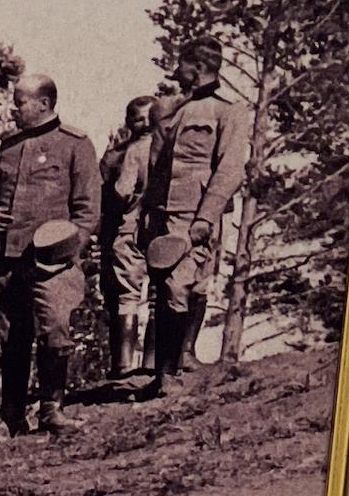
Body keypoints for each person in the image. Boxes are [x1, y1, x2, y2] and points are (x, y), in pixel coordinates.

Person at [0, 75, 101, 437]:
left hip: (52, 264)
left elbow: (87, 211)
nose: (13, 110)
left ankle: (52, 410)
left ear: (44, 104)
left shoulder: (75, 144)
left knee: (55, 332)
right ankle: (11, 417)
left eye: (20, 103)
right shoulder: (7, 147)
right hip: (7, 259)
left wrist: (67, 251)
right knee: (12, 337)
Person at [142, 40, 252, 395]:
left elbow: (230, 169)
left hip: (195, 218)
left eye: (183, 65)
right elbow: (157, 167)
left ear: (198, 67)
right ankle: (163, 376)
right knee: (164, 290)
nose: (177, 72)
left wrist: (206, 217)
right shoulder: (174, 111)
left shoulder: (229, 111)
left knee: (180, 287)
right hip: (163, 216)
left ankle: (170, 374)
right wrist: (148, 216)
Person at [100, 95, 159, 378]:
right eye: (139, 118)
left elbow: (121, 191)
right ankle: (151, 363)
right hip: (161, 228)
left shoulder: (131, 151)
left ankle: (124, 365)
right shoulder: (173, 147)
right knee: (160, 294)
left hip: (131, 225)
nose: (144, 123)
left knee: (127, 293)